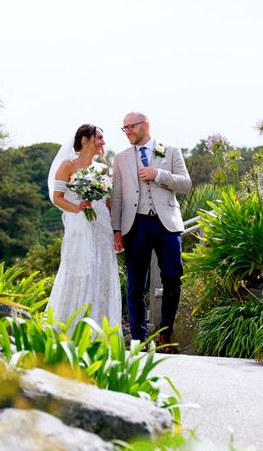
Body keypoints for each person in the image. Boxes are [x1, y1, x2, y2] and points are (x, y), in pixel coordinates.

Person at [111, 112, 191, 352]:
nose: (127, 132)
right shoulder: (121, 158)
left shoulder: (171, 151)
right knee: (136, 283)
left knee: (172, 278)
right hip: (135, 225)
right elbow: (116, 196)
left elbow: (185, 184)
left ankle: (165, 334)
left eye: (131, 127)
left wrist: (159, 175)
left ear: (145, 125)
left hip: (166, 223)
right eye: (123, 128)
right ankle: (139, 338)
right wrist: (116, 230)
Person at [46, 124, 122, 332]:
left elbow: (108, 202)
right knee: (78, 272)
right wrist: (77, 208)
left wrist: (116, 231)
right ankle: (70, 329)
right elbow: (57, 198)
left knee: (102, 272)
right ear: (85, 140)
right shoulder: (67, 166)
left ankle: (99, 330)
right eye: (99, 138)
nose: (103, 142)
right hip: (80, 226)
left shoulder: (102, 169)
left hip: (102, 226)